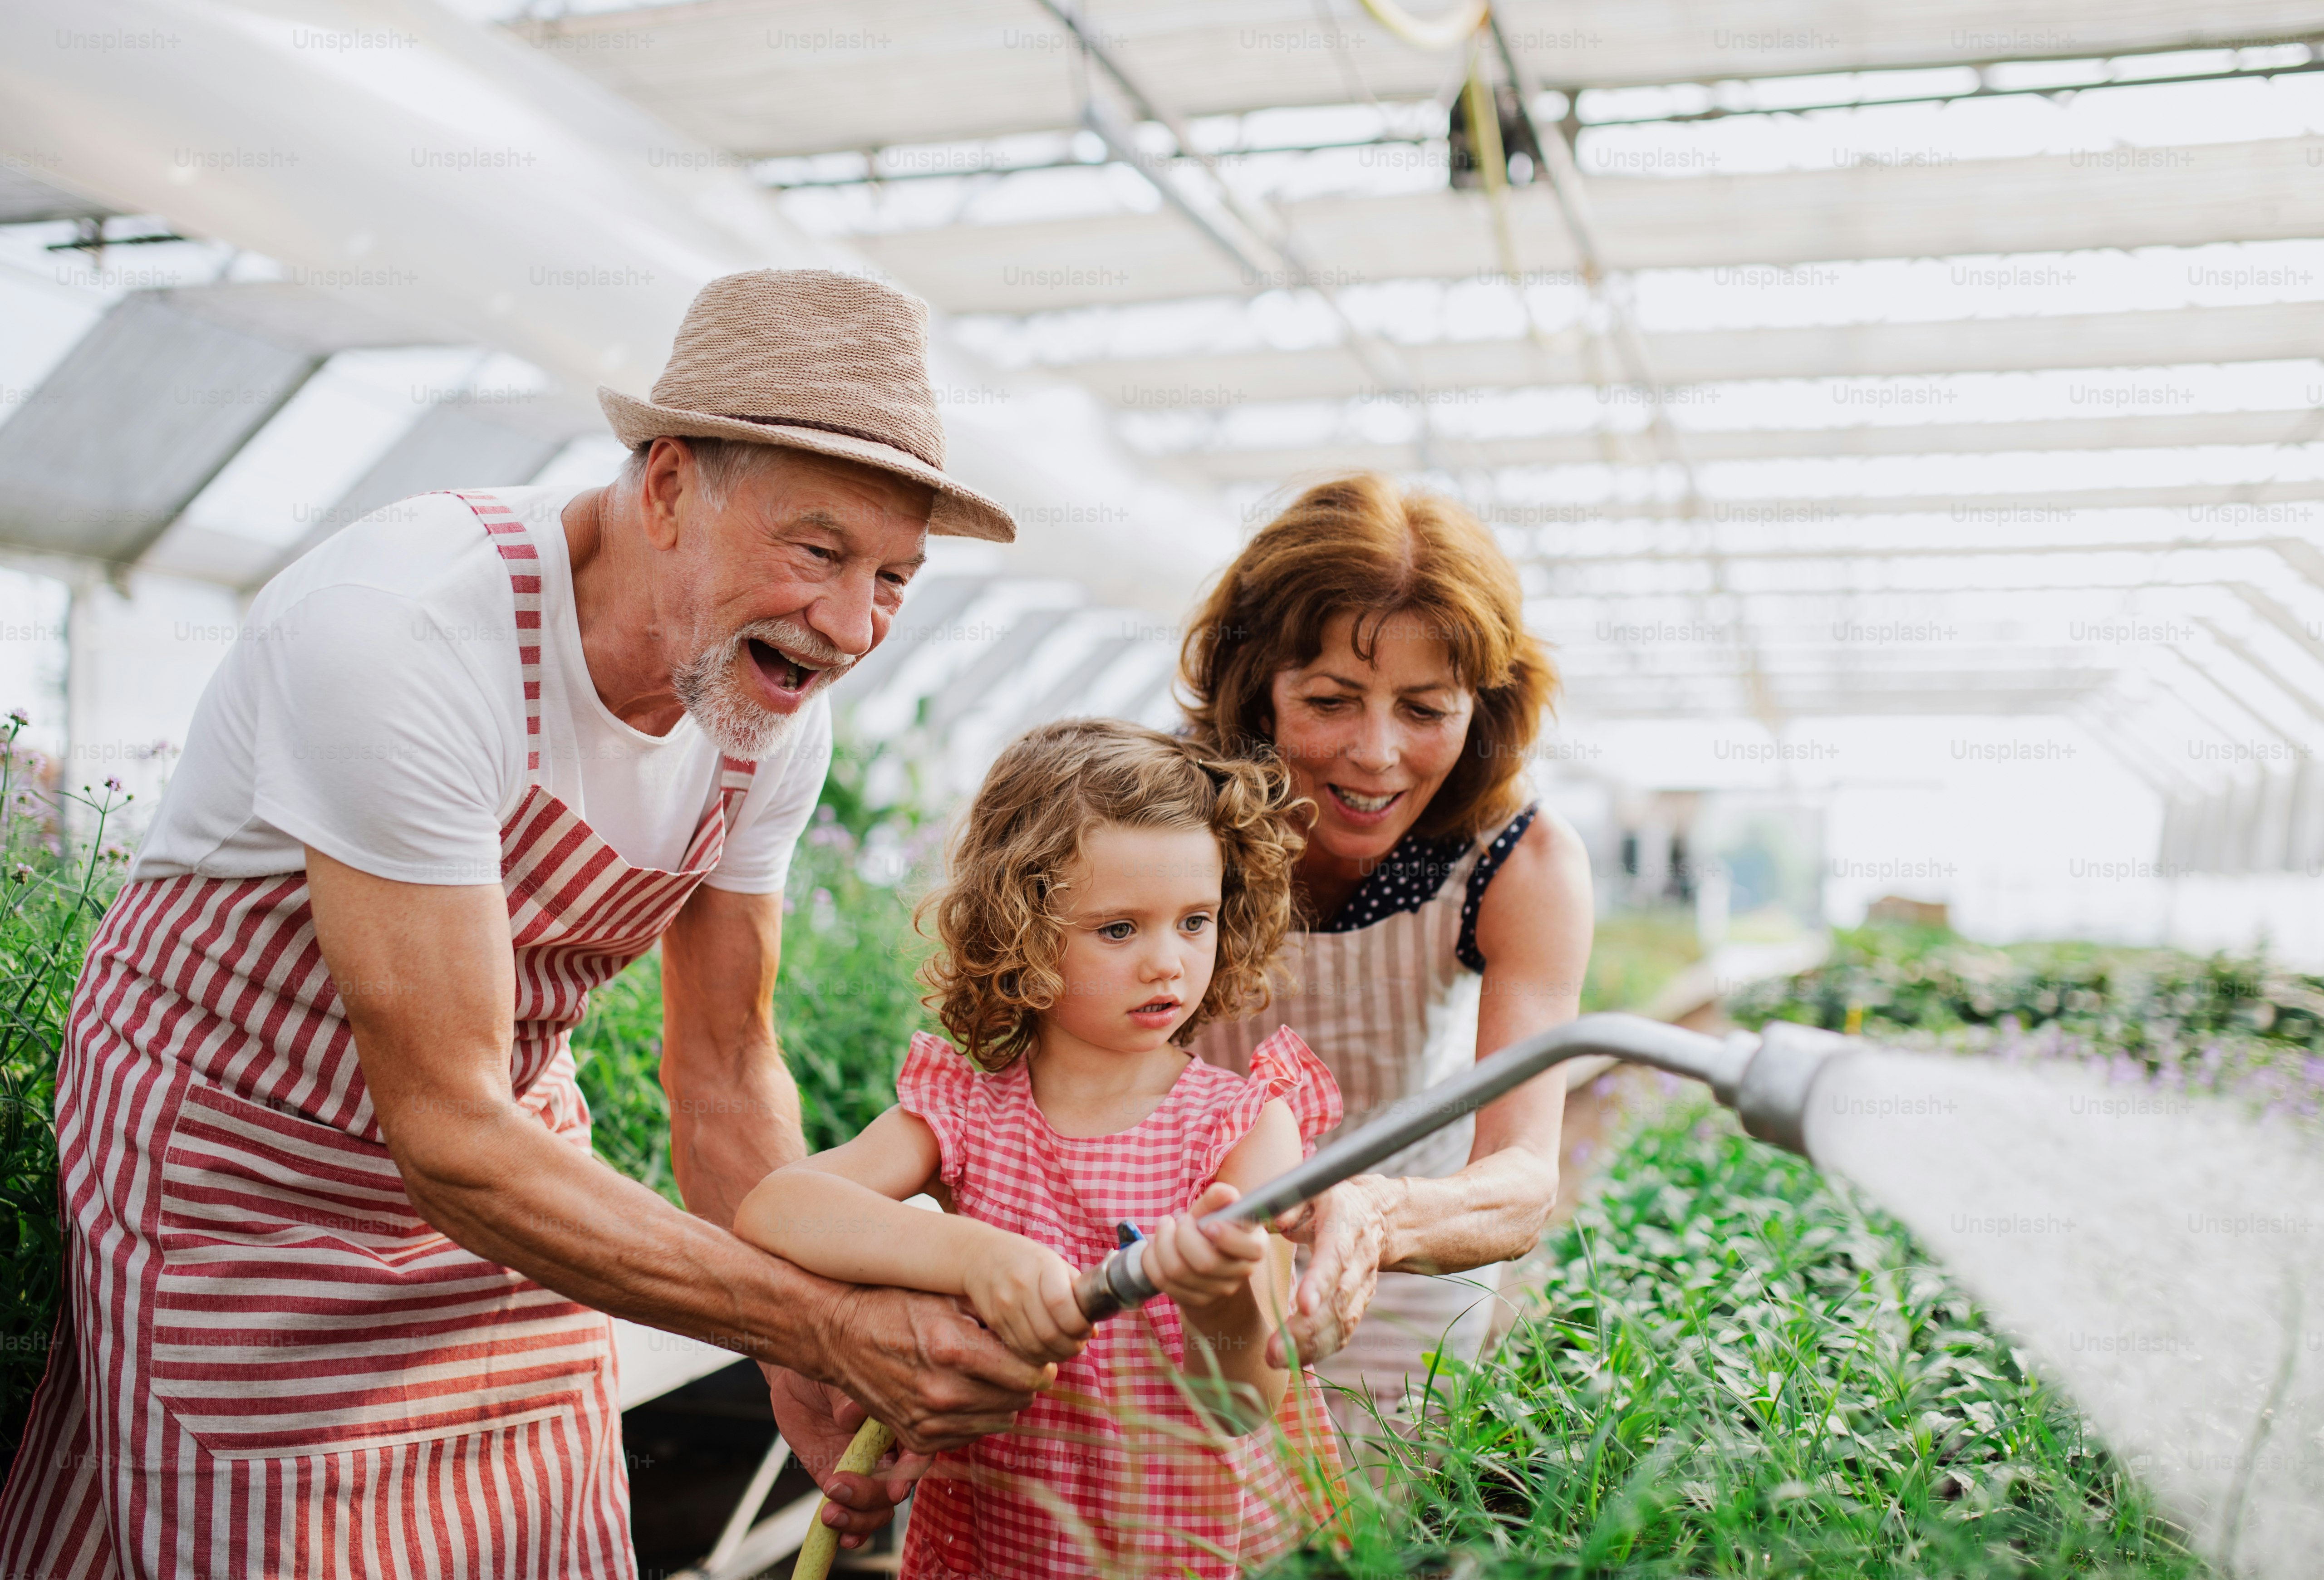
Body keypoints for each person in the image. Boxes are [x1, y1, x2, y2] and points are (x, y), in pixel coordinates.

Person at [0, 270, 1047, 1578]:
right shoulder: (409, 632)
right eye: (818, 552)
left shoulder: (767, 705)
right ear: (666, 487)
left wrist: (804, 1347)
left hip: (509, 1158)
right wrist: (817, 1321)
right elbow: (445, 1133)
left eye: (893, 577)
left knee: (546, 1526)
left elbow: (723, 1070)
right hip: (250, 1175)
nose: (850, 625)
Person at [736, 719, 1344, 1577]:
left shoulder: (1241, 1126)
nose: (1167, 963)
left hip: (1182, 1550)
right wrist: (971, 1255)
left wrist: (1216, 1305)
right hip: (997, 1545)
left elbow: (1242, 1402)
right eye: (1119, 929)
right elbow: (776, 1207)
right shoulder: (966, 1113)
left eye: (1195, 920)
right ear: (1019, 926)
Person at [1179, 473, 1596, 1439]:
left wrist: (1375, 1216)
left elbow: (1521, 1177)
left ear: (1482, 705)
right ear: (1256, 689)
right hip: (1173, 1233)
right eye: (1330, 700)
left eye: (1425, 709)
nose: (1375, 754)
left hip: (1405, 1255)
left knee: (1361, 1496)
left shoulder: (1520, 860)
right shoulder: (1161, 816)